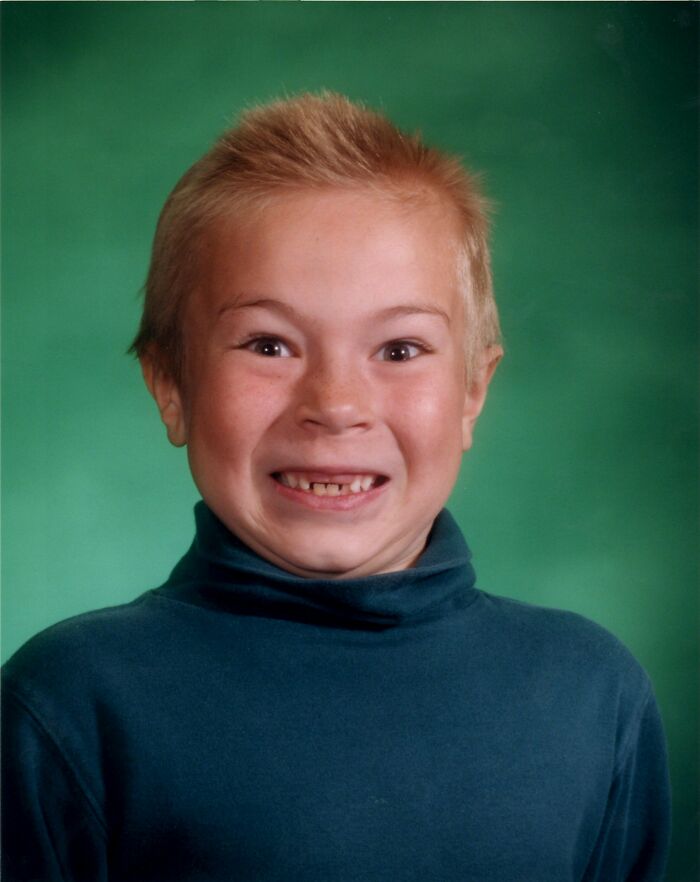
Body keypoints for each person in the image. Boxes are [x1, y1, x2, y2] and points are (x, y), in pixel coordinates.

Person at [2, 93, 670, 882]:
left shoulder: (592, 693)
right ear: (170, 386)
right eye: (269, 344)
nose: (336, 406)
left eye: (399, 350)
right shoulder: (69, 705)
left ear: (471, 393)